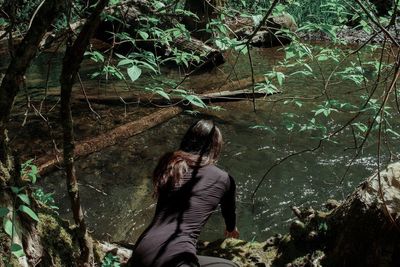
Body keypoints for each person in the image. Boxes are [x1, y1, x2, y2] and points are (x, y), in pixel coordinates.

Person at [128, 119, 239, 267]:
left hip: (141, 251)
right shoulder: (224, 179)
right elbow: (229, 214)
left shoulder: (170, 164)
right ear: (215, 148)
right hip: (174, 257)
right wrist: (231, 228)